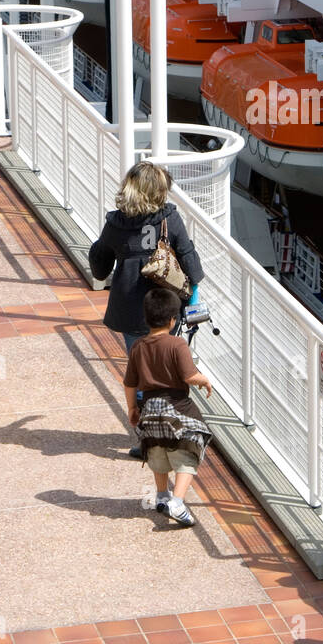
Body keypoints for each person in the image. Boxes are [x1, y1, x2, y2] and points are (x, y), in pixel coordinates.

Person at [88, 162, 204, 458]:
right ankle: (173, 424)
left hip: (130, 309)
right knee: (168, 362)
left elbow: (101, 266)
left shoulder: (116, 223)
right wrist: (194, 297)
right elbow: (187, 254)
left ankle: (148, 440)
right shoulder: (168, 218)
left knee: (140, 371)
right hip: (165, 305)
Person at [124, 284, 213, 528]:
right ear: (173, 320)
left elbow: (130, 384)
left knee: (156, 449)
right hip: (176, 407)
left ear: (146, 318)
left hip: (149, 409)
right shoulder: (177, 345)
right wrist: (203, 379)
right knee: (191, 443)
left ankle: (161, 495)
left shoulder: (138, 347)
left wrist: (132, 409)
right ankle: (178, 500)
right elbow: (188, 376)